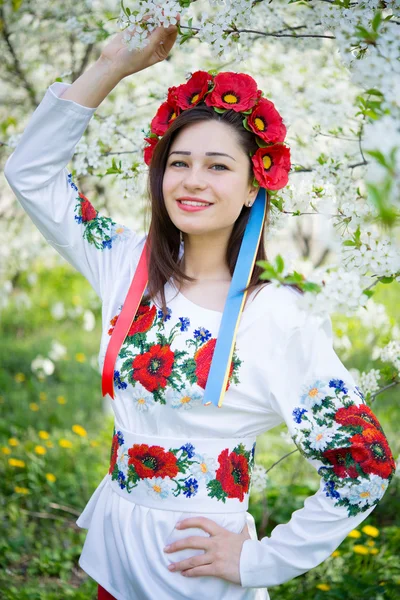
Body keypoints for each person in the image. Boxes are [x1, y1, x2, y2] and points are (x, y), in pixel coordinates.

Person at [4, 15, 396, 600]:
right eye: (180, 162)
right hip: (116, 556)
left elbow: (364, 461)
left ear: (252, 188)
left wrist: (262, 561)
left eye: (219, 166)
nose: (193, 180)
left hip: (196, 576)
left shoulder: (277, 316)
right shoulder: (126, 264)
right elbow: (30, 174)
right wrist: (112, 65)